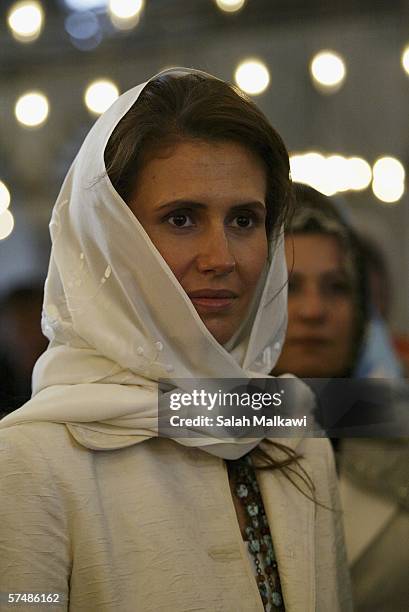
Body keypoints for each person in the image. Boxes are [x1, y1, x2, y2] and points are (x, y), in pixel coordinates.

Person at [0, 68, 351, 611]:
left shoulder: (291, 432)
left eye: (244, 219)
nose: (222, 258)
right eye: (181, 218)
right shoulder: (32, 462)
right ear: (111, 239)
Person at [272, 183, 409, 611]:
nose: (314, 310)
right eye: (289, 287)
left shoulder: (397, 424)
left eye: (336, 287)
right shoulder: (196, 423)